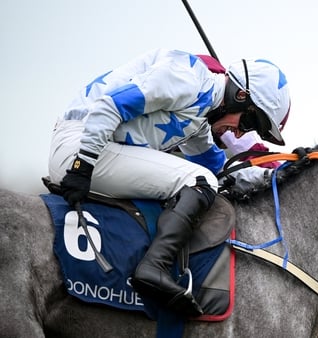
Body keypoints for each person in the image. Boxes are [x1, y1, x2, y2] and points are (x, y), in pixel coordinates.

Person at [48, 48, 290, 316]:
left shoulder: (200, 117)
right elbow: (109, 105)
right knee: (199, 180)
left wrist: (278, 175)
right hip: (82, 147)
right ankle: (154, 267)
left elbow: (220, 171)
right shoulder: (187, 78)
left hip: (94, 150)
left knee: (206, 179)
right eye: (248, 120)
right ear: (240, 95)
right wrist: (83, 165)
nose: (239, 132)